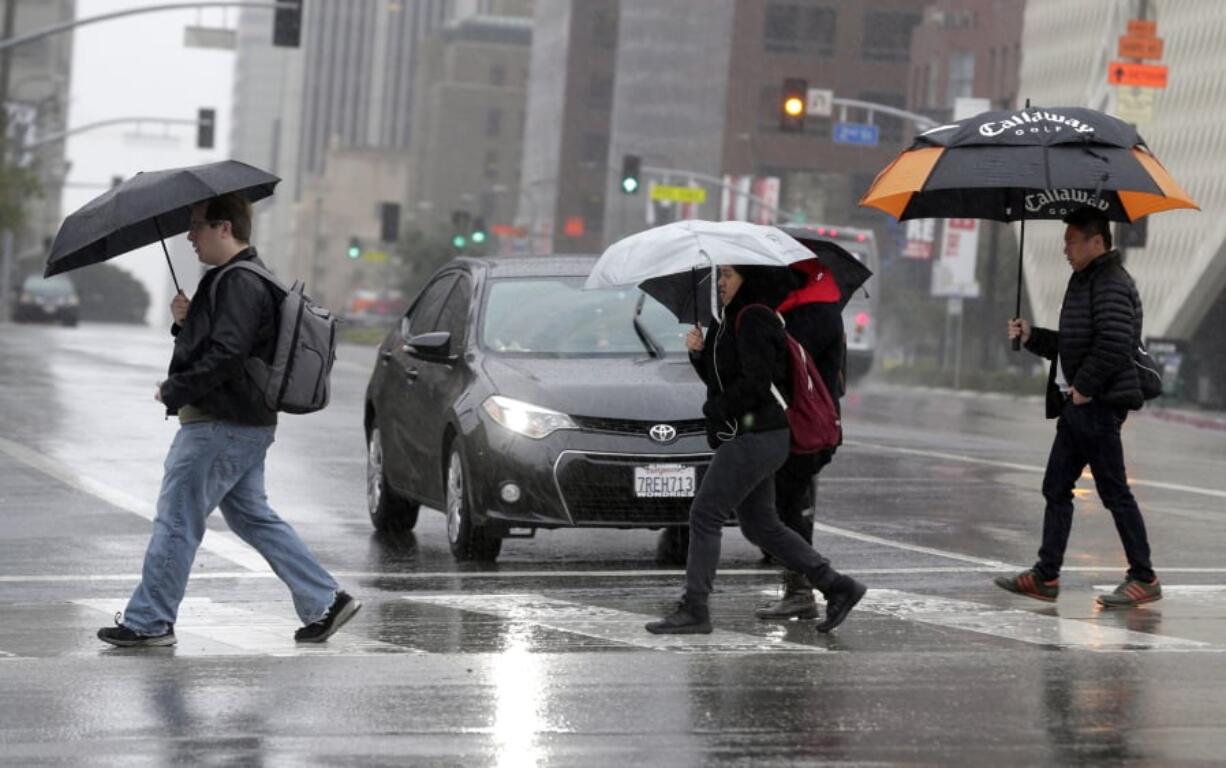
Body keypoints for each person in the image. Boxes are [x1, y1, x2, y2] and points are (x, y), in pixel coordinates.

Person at [97, 193, 360, 647]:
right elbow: (227, 345)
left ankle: (150, 620)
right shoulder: (240, 278)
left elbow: (228, 355)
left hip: (220, 424)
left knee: (177, 519)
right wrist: (186, 321)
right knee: (252, 517)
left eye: (198, 225)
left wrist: (174, 390)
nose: (190, 235)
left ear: (225, 228)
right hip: (244, 422)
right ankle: (325, 600)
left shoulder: (238, 281)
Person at [645, 264, 866, 635]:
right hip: (752, 435)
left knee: (704, 514)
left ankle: (696, 609)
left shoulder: (755, 317)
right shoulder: (730, 319)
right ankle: (837, 585)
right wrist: (699, 355)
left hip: (759, 435)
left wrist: (718, 409)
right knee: (761, 524)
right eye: (720, 276)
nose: (721, 283)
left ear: (749, 279)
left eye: (729, 275)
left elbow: (758, 383)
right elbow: (723, 378)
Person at [996, 206, 1159, 608]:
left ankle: (1144, 576)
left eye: (1071, 241)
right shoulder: (1085, 280)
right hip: (1078, 407)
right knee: (1056, 487)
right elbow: (1074, 344)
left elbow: (1114, 344)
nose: (1064, 249)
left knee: (1115, 493)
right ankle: (1045, 576)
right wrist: (1032, 336)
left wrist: (1085, 388)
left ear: (1097, 242)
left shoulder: (1111, 283)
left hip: (1097, 407)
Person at [756, 260, 846, 620]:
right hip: (808, 424)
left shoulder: (813, 315)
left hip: (805, 426)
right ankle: (803, 588)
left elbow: (786, 362)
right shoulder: (813, 308)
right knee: (790, 506)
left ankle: (805, 589)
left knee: (788, 508)